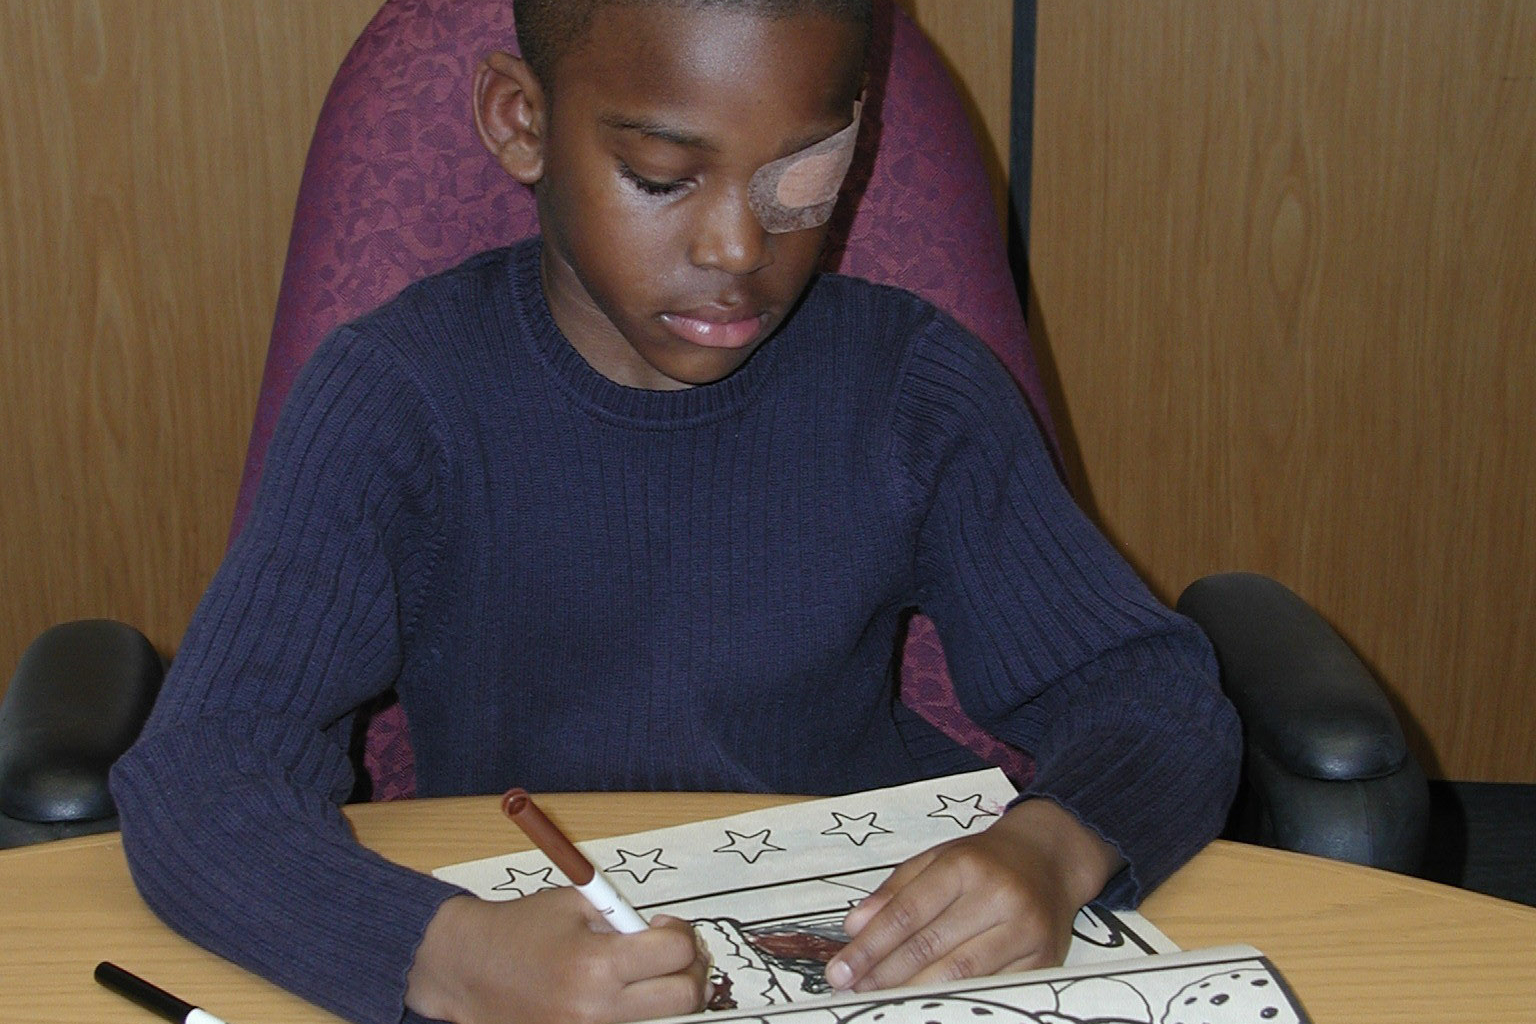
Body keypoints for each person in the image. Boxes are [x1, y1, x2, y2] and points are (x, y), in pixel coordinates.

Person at [111, 2, 1241, 1023]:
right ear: (522, 123)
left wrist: (1052, 846)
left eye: (803, 177)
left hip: (856, 944)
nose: (739, 250)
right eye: (660, 174)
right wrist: (449, 959)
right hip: (531, 945)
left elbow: (1150, 690)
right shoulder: (400, 398)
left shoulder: (911, 388)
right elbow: (203, 774)